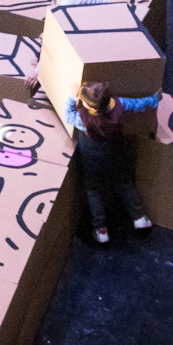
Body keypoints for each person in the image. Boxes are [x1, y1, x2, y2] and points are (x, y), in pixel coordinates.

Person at [63, 81, 158, 244]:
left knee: (93, 191)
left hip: (92, 160)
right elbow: (138, 104)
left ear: (88, 106)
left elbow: (67, 115)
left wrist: (72, 97)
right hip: (115, 154)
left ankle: (101, 229)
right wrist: (154, 99)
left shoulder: (82, 119)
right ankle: (139, 217)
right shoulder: (118, 105)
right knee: (124, 184)